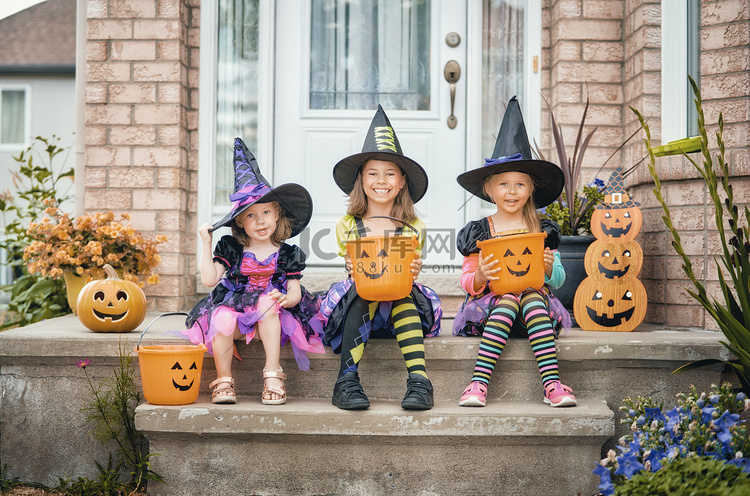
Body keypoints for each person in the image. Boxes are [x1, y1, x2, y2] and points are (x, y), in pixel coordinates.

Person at [314, 105, 442, 410]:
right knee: (363, 288)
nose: (381, 180)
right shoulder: (348, 225)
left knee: (402, 292)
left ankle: (420, 381)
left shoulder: (414, 227)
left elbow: (405, 272)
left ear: (401, 183)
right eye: (372, 173)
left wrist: (413, 269)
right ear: (361, 180)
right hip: (361, 309)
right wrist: (352, 266)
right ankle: (346, 380)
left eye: (390, 174)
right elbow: (356, 271)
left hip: (399, 306)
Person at [454, 96, 576, 408]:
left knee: (533, 295)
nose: (511, 191)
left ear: (531, 189)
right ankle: (478, 383)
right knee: (509, 297)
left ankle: (552, 384)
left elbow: (558, 281)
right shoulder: (481, 231)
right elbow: (467, 279)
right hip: (491, 312)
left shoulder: (542, 229)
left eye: (520, 184)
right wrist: (480, 275)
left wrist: (549, 268)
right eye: (504, 184)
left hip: (536, 317)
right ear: (489, 189)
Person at [181, 138, 323, 405]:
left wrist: (286, 299)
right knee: (222, 317)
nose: (260, 221)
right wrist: (206, 243)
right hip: (238, 316)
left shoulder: (287, 254)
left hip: (272, 321)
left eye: (266, 212)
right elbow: (210, 280)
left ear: (278, 214)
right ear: (239, 221)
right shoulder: (232, 248)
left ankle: (273, 373)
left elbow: (292, 292)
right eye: (251, 215)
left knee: (268, 301)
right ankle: (224, 380)